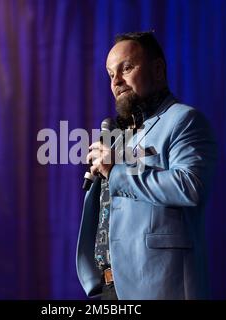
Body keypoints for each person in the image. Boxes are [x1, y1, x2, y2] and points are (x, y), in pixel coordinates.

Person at [76, 32, 217, 300]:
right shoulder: (121, 133)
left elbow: (190, 186)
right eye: (110, 75)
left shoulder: (184, 120)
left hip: (158, 287)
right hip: (106, 289)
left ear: (158, 70)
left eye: (126, 68)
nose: (116, 81)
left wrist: (115, 171)